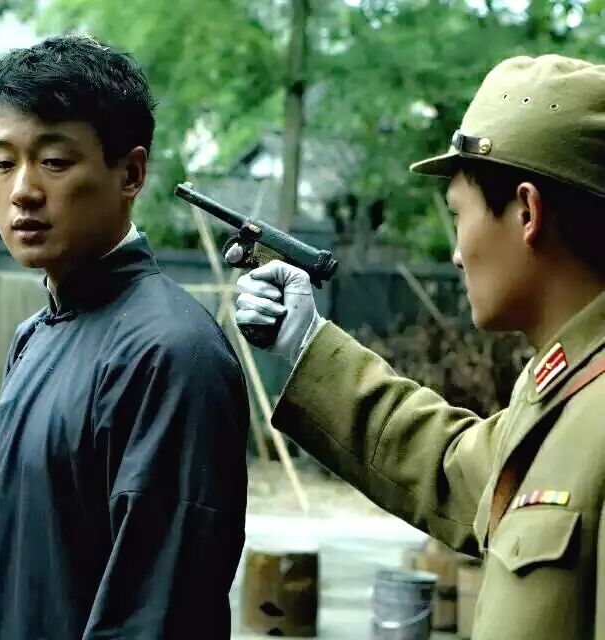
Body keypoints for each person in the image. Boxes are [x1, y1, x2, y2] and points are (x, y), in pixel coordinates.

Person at [230, 54, 605, 639]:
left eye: (458, 215)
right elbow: (451, 467)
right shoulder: (562, 391)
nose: (456, 253)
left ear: (527, 212)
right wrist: (306, 343)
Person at [0, 35, 249, 639]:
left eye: (55, 161)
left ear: (130, 173)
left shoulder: (170, 354)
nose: (22, 190)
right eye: (3, 163)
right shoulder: (35, 336)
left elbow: (156, 614)